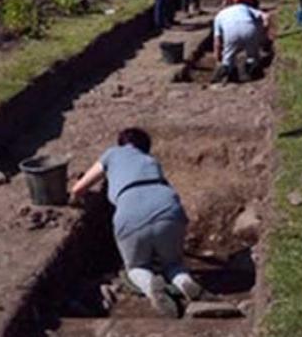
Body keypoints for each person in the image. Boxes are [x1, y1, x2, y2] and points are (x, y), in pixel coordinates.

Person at [70, 128, 204, 318]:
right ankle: (183, 282)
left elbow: (79, 188)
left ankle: (151, 287)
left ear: (121, 143)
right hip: (167, 207)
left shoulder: (112, 154)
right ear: (145, 148)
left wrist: (74, 200)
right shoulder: (151, 161)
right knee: (173, 263)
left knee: (136, 267)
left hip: (129, 214)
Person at [212, 1, 271, 83]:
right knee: (252, 56)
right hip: (249, 29)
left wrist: (218, 58)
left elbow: (217, 42)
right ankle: (252, 70)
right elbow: (265, 16)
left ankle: (226, 71)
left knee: (227, 59)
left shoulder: (218, 16)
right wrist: (264, 31)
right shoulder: (244, 7)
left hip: (231, 33)